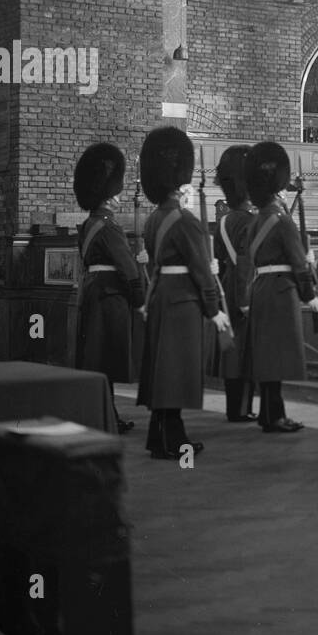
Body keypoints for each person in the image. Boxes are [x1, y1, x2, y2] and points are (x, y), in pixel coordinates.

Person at [136, 126, 231, 460]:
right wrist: (214, 309)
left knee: (164, 370)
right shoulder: (185, 221)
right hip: (183, 303)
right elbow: (200, 269)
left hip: (162, 296)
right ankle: (174, 441)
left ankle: (160, 436)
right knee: (175, 371)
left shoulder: (153, 219)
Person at [244, 140, 318, 434]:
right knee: (277, 356)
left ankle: (269, 413)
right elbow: (298, 263)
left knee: (267, 356)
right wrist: (310, 295)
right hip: (282, 291)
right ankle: (274, 417)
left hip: (262, 287)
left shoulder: (257, 220)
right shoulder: (282, 220)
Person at [73, 142, 144, 435]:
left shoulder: (89, 224)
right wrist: (139, 298)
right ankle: (107, 417)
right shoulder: (109, 227)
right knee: (108, 362)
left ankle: (106, 414)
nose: (119, 199)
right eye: (116, 194)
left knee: (97, 361)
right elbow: (127, 268)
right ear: (108, 197)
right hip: (110, 298)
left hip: (93, 294)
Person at [211, 145, 257, 423]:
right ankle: (242, 409)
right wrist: (245, 301)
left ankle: (234, 407)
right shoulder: (250, 221)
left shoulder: (225, 220)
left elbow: (220, 259)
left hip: (226, 288)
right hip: (244, 290)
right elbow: (245, 265)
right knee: (245, 352)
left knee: (232, 351)